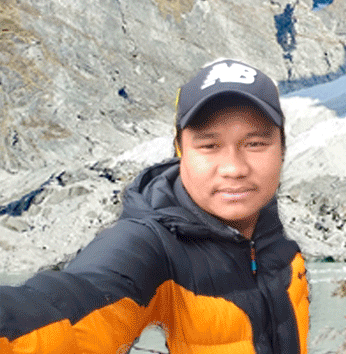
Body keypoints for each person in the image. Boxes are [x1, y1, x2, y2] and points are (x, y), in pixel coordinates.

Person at [0, 59, 309, 354]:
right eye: (209, 146)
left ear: (281, 148)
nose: (233, 168)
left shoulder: (275, 238)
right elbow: (73, 304)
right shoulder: (152, 244)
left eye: (255, 143)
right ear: (180, 149)